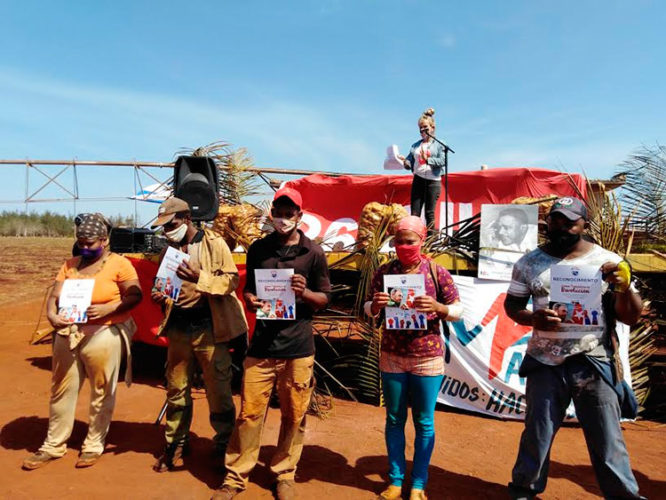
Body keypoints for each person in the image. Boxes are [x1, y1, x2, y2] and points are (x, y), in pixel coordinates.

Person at [503, 197, 644, 499]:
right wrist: (533, 317)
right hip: (544, 362)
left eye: (570, 221)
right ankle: (524, 490)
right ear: (548, 222)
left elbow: (630, 316)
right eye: (556, 220)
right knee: (537, 434)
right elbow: (512, 305)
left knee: (607, 438)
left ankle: (624, 495)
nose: (562, 227)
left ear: (584, 225)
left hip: (593, 360)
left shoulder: (608, 261)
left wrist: (624, 285)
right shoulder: (529, 262)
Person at [214, 187, 331, 500]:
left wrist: (305, 293)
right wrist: (250, 299)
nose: (282, 218)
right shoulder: (259, 249)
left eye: (288, 213)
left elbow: (324, 299)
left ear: (299, 216)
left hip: (298, 348)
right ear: (272, 214)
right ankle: (235, 478)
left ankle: (284, 475)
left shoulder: (314, 252)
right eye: (277, 212)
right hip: (262, 347)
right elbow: (250, 290)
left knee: (294, 415)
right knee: (249, 414)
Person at [22, 213, 142, 470]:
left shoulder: (120, 264)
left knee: (102, 390)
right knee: (61, 390)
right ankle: (53, 445)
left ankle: (93, 444)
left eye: (90, 243)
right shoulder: (70, 265)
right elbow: (54, 296)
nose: (85, 248)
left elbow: (135, 294)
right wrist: (52, 315)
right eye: (81, 243)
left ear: (104, 240)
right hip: (67, 334)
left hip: (103, 333)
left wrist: (110, 308)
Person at [365, 215, 463, 500]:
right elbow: (368, 307)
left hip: (427, 356)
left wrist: (438, 307)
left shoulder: (436, 272)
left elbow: (458, 310)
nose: (404, 246)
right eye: (399, 241)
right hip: (392, 355)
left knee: (424, 422)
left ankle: (418, 483)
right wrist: (376, 304)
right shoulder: (385, 272)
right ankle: (396, 480)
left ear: (422, 241)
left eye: (410, 241)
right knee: (394, 419)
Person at [151, 197, 248, 472]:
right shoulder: (168, 250)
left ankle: (224, 445)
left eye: (172, 224)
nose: (168, 230)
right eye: (164, 226)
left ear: (187, 219)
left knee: (218, 390)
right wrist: (158, 295)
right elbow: (161, 286)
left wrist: (199, 277)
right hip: (178, 328)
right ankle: (177, 443)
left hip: (209, 328)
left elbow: (231, 281)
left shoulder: (213, 243)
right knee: (176, 388)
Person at [398, 108, 447, 236]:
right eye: (420, 128)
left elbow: (443, 161)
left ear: (432, 127)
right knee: (415, 213)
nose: (422, 130)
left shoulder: (440, 144)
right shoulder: (415, 146)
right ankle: (415, 238)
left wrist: (428, 159)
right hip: (418, 180)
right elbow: (409, 163)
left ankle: (431, 241)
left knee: (429, 213)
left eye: (425, 127)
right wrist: (405, 162)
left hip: (433, 181)